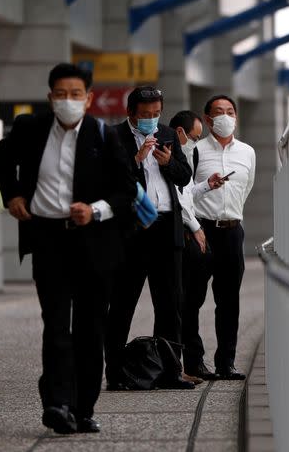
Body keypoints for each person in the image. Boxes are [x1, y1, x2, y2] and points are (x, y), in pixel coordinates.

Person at [0, 63, 136, 434]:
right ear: (50, 97)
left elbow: (126, 191)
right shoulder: (30, 129)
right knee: (55, 325)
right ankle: (56, 403)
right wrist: (13, 195)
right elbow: (2, 157)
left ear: (88, 99)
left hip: (93, 243)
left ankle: (83, 408)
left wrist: (96, 210)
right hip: (48, 239)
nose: (68, 101)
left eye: (76, 94)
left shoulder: (104, 135)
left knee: (90, 328)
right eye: (61, 94)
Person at [104, 86, 194, 390]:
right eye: (145, 115)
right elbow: (109, 180)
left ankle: (171, 370)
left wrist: (169, 162)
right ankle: (115, 373)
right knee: (122, 303)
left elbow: (185, 176)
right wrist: (137, 159)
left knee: (170, 304)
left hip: (167, 227)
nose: (151, 120)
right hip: (133, 230)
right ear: (131, 113)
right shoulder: (114, 137)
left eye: (156, 114)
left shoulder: (167, 134)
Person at [192, 95, 256, 380]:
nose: (225, 116)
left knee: (229, 301)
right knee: (191, 299)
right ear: (207, 119)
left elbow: (246, 187)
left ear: (236, 117)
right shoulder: (195, 150)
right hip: (201, 232)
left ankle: (226, 362)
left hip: (232, 231)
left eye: (230, 111)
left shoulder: (247, 152)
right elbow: (186, 191)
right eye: (219, 112)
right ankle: (193, 363)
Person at [168, 110, 225, 381]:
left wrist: (206, 186)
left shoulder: (185, 156)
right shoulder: (166, 156)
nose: (196, 141)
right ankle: (180, 365)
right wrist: (197, 228)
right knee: (182, 304)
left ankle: (192, 362)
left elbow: (187, 193)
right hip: (183, 236)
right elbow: (175, 202)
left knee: (192, 303)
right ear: (180, 132)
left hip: (192, 235)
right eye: (194, 136)